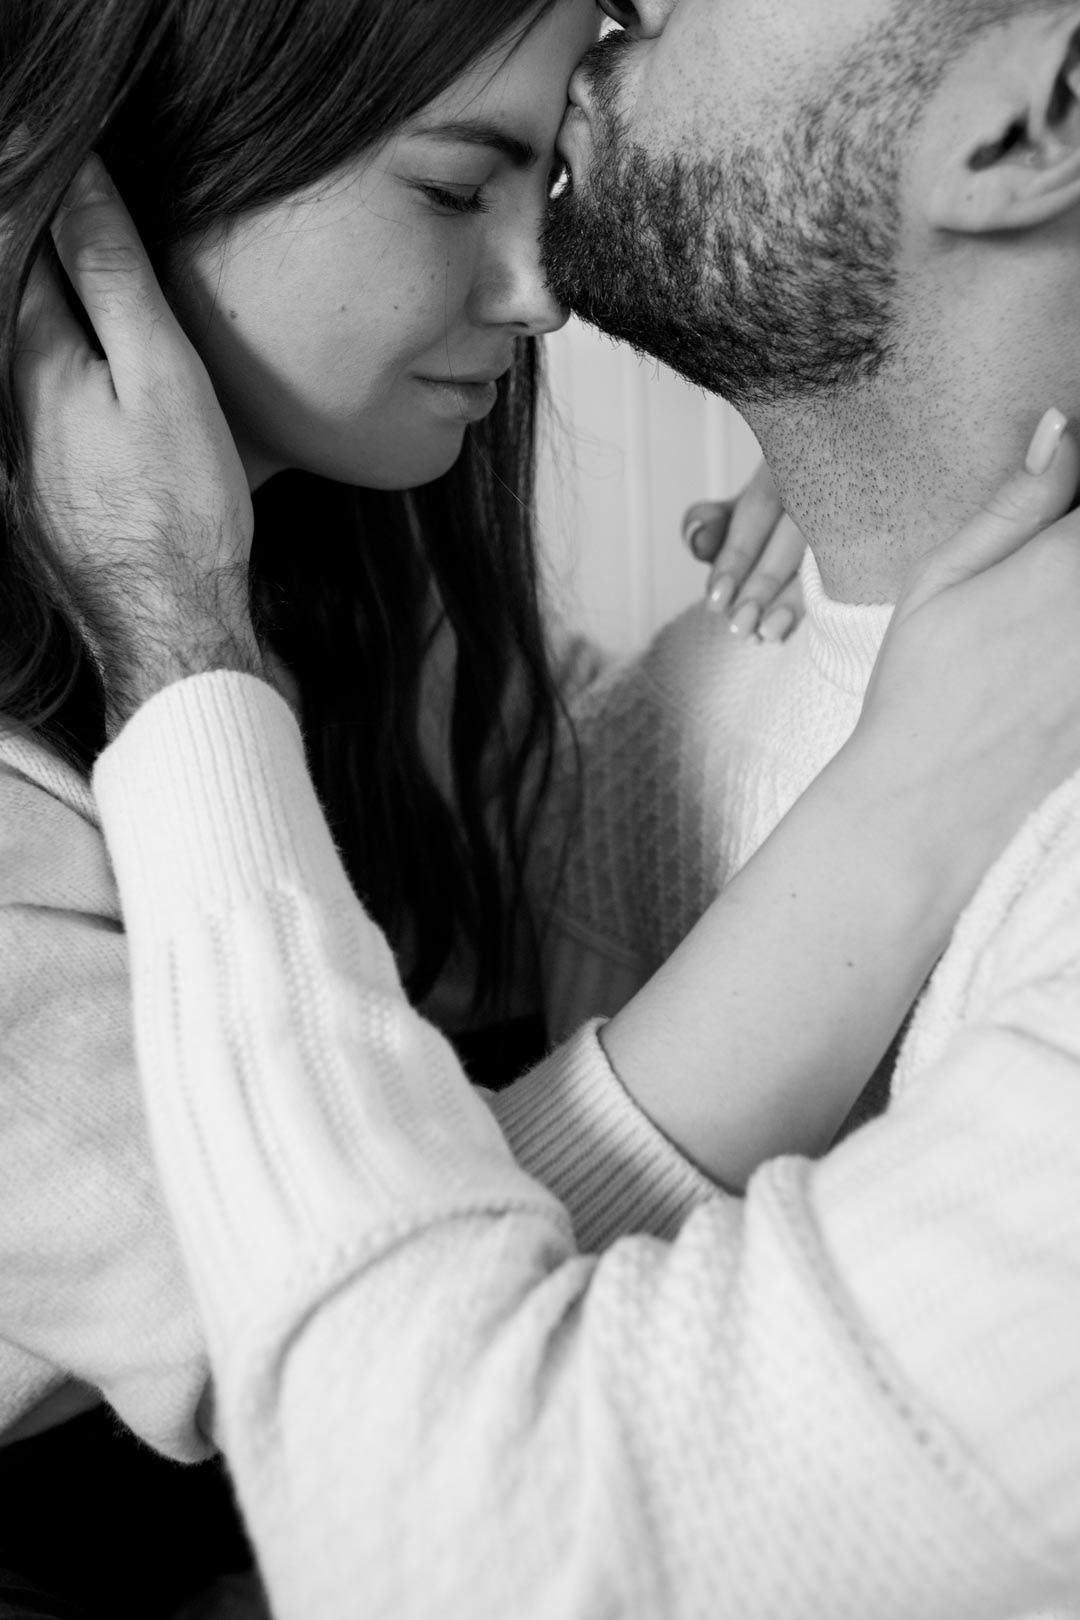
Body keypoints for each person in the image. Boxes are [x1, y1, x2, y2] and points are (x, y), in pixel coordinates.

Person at [7, 6, 1080, 1620]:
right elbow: (341, 1346)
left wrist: (882, 478)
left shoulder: (371, 601)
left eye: (542, 186)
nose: (540, 290)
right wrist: (902, 780)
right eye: (454, 189)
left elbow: (558, 855)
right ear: (137, 178)